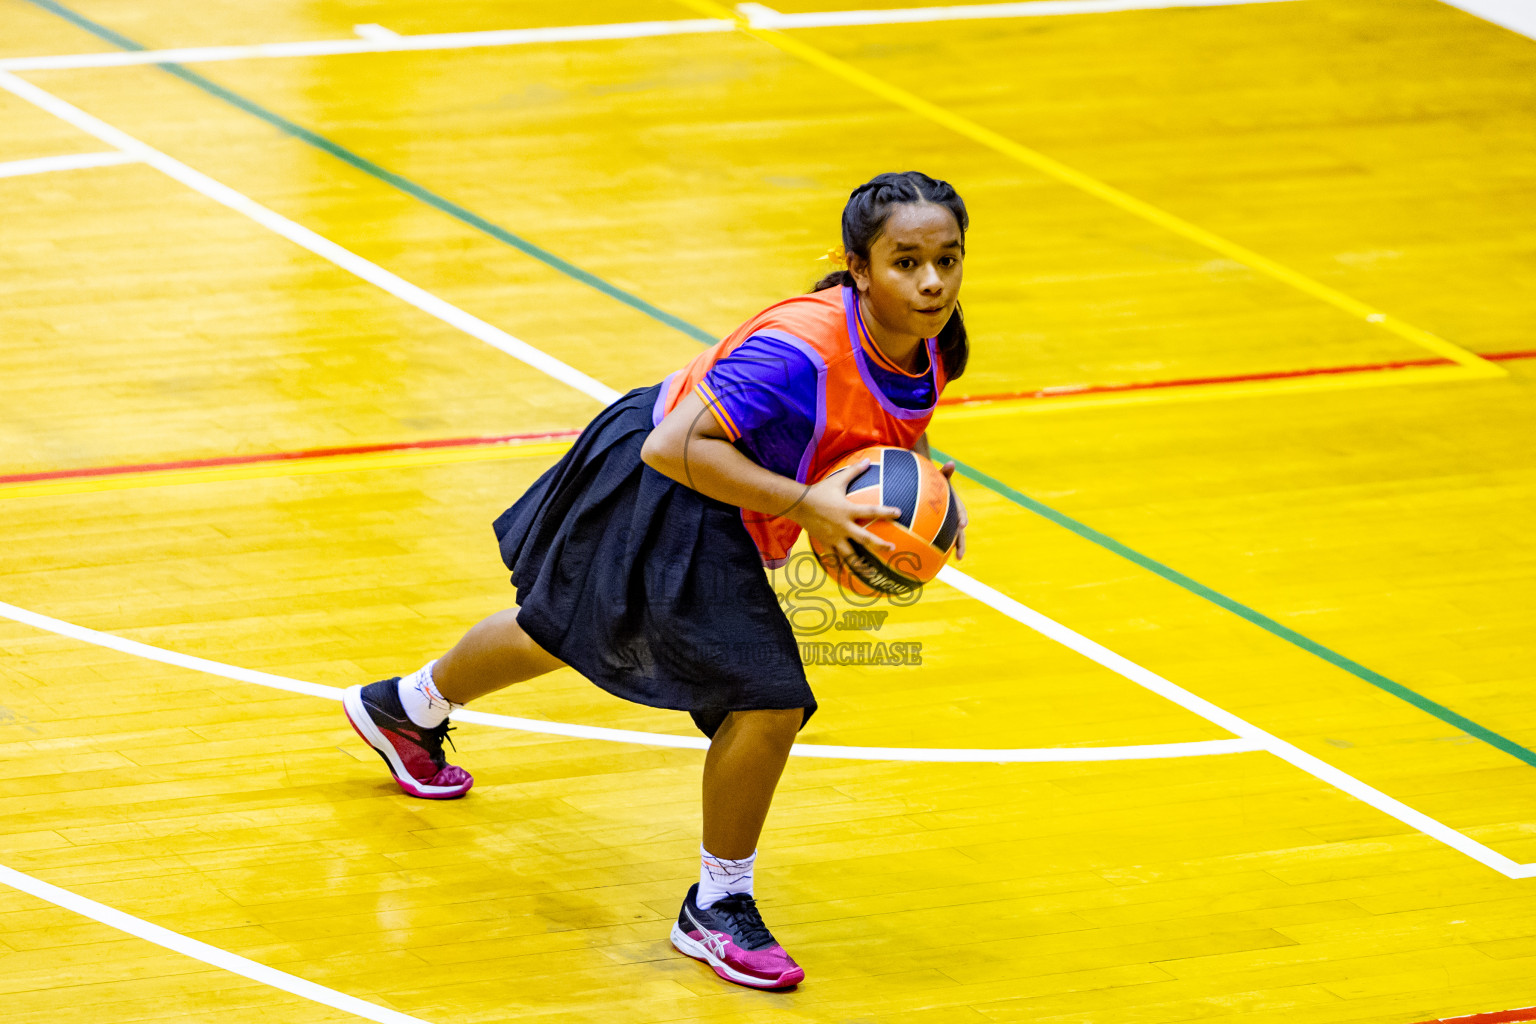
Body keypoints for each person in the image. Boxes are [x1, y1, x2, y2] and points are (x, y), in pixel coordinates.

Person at [343, 170, 971, 990]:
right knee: (768, 696)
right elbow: (674, 447)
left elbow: (895, 432)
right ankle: (718, 905)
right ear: (857, 269)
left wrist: (922, 497)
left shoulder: (934, 343)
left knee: (562, 628)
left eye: (947, 259)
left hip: (716, 482)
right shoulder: (800, 351)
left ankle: (404, 708)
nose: (930, 281)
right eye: (905, 262)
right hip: (664, 477)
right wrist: (810, 505)